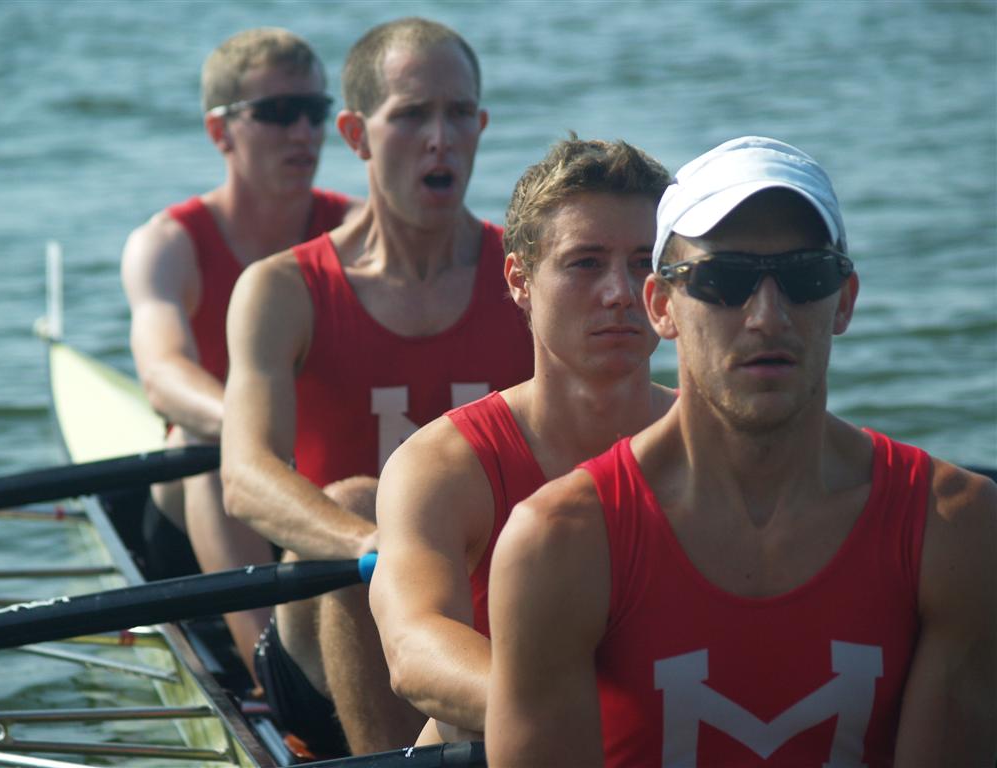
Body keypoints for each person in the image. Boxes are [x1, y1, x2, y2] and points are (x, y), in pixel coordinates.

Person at [485, 136, 997, 767]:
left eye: (804, 276)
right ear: (661, 306)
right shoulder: (558, 544)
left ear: (844, 300)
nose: (767, 316)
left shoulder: (955, 527)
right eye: (724, 280)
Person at [219, 17, 534, 758]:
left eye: (459, 114)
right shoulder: (282, 290)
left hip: (488, 605)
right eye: (412, 115)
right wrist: (380, 545)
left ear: (482, 127)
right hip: (333, 618)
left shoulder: (531, 282)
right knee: (362, 498)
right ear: (357, 135)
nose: (440, 139)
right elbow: (244, 477)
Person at [370, 136, 676, 745]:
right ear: (520, 280)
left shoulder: (716, 440)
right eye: (586, 263)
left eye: (644, 262)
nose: (621, 291)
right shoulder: (442, 466)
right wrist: (594, 717)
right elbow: (414, 648)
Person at [120, 27, 358, 686]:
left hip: (321, 485)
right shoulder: (168, 245)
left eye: (314, 111)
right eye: (277, 113)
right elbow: (163, 375)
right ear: (219, 132)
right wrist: (255, 437)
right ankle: (273, 678)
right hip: (206, 502)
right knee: (200, 444)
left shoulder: (357, 231)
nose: (303, 132)